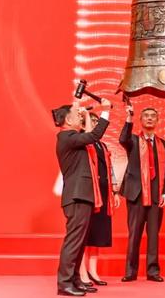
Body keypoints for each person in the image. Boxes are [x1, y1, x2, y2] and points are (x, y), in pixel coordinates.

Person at [53, 98, 111, 297]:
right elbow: (94, 135)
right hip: (76, 197)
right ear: (68, 120)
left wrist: (84, 115)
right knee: (73, 242)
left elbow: (89, 136)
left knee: (79, 242)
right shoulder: (66, 137)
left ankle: (75, 280)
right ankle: (64, 283)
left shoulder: (73, 137)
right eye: (76, 115)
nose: (80, 117)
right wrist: (105, 111)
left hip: (82, 196)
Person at [119, 104, 165, 282]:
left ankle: (153, 271)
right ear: (141, 120)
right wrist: (129, 118)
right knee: (134, 234)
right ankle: (130, 272)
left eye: (153, 116)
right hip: (136, 195)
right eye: (146, 115)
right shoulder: (133, 141)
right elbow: (123, 138)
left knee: (153, 235)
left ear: (157, 120)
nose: (149, 118)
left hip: (157, 195)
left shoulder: (163, 145)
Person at [78, 113, 121, 287]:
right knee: (85, 234)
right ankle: (81, 272)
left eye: (97, 122)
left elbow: (109, 169)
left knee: (97, 234)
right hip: (88, 193)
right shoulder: (81, 143)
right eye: (92, 122)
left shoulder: (102, 145)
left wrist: (115, 191)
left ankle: (93, 270)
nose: (96, 125)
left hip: (103, 193)